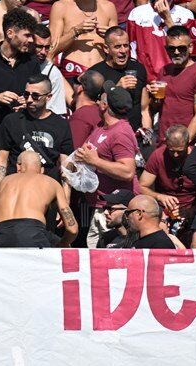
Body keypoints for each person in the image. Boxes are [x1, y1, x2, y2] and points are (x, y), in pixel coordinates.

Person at [76, 84, 139, 247]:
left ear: (105, 105)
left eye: (100, 100)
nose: (97, 102)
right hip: (100, 207)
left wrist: (95, 161)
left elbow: (127, 171)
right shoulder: (101, 127)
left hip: (114, 211)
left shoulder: (121, 133)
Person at [0, 149, 78, 247]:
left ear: (18, 166)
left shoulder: (3, 183)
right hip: (34, 235)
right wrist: (62, 244)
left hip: (2, 236)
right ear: (42, 170)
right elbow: (72, 229)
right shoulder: (52, 183)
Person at [0, 73, 75, 183]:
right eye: (26, 94)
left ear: (49, 97)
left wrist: (65, 198)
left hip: (47, 189)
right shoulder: (11, 121)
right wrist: (1, 191)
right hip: (17, 187)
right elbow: (1, 161)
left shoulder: (61, 124)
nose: (29, 100)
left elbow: (66, 165)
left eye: (35, 96)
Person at [151, 25, 196, 143]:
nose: (177, 52)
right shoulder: (163, 71)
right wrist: (154, 97)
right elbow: (156, 107)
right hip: (164, 140)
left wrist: (182, 144)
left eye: (181, 48)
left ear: (190, 47)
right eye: (172, 48)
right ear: (166, 49)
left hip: (186, 144)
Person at [140, 124, 196, 232]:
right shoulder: (158, 155)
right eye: (172, 151)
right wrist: (159, 197)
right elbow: (141, 186)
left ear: (188, 144)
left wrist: (190, 212)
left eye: (180, 151)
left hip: (193, 212)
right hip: (163, 213)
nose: (176, 155)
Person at [90, 27, 149, 132]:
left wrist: (148, 133)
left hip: (136, 134)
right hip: (109, 134)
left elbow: (144, 109)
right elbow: (93, 112)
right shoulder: (96, 74)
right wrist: (116, 88)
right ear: (106, 49)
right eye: (117, 47)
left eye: (126, 46)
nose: (123, 51)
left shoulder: (138, 68)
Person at [125, 0, 191, 83]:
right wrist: (141, 81)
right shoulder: (136, 13)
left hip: (177, 79)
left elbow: (189, 50)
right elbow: (132, 54)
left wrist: (168, 19)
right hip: (146, 80)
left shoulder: (186, 15)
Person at [31, 23, 71, 117]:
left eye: (47, 47)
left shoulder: (53, 73)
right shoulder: (16, 63)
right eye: (39, 47)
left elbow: (56, 111)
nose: (43, 52)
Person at [70, 69, 104, 147]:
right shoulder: (101, 111)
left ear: (80, 88)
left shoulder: (80, 117)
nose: (73, 85)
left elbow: (75, 152)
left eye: (76, 82)